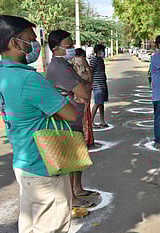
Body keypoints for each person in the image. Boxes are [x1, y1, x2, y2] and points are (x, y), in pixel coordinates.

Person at [0, 15, 93, 233]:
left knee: (29, 222)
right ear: (15, 42)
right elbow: (69, 113)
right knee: (53, 226)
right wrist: (60, 100)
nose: (34, 44)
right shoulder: (28, 78)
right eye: (30, 38)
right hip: (44, 163)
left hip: (23, 159)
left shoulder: (1, 73)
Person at [46, 30, 98, 209]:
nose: (72, 50)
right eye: (68, 46)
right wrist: (82, 92)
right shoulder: (59, 68)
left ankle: (78, 189)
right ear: (56, 49)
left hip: (75, 116)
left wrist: (82, 91)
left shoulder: (66, 65)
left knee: (77, 156)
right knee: (70, 159)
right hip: (66, 120)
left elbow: (84, 88)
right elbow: (84, 91)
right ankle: (72, 198)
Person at [70, 48, 94, 146]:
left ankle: (80, 139)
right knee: (85, 116)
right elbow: (88, 77)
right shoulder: (82, 61)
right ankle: (86, 139)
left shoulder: (71, 62)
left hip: (73, 93)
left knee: (78, 116)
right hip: (83, 91)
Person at [90, 44, 109, 128]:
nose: (104, 52)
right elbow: (91, 71)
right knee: (97, 103)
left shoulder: (101, 60)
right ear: (98, 51)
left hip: (102, 84)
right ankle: (91, 122)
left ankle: (102, 121)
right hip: (97, 84)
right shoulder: (94, 60)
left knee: (101, 103)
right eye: (102, 50)